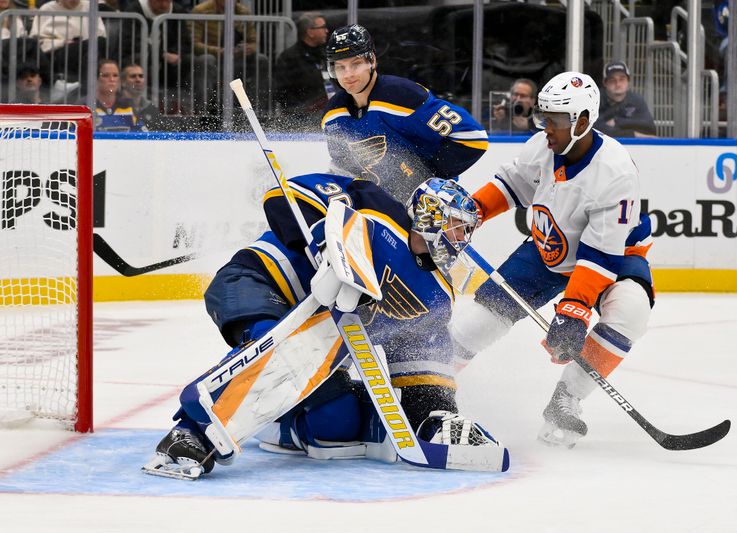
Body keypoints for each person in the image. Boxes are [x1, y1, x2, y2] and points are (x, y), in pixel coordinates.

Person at [148, 174, 503, 476]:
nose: (461, 239)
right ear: (430, 217)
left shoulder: (438, 293)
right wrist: (327, 247)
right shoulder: (374, 205)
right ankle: (190, 433)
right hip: (258, 280)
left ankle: (278, 421)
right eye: (456, 226)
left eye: (466, 231)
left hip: (319, 339)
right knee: (284, 353)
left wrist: (438, 417)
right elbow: (282, 198)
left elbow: (422, 359)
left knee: (336, 423)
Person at [448, 71, 655, 449]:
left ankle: (566, 401)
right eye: (544, 118)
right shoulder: (542, 146)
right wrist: (471, 212)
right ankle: (429, 379)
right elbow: (510, 185)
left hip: (615, 254)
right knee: (482, 320)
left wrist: (573, 310)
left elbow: (599, 254)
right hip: (551, 246)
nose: (546, 128)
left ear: (582, 121)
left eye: (555, 121)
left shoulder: (615, 172)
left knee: (631, 310)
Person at [321, 24, 488, 203]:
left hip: (427, 208)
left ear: (372, 61)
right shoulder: (333, 115)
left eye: (356, 64)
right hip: (376, 210)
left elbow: (473, 137)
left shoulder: (402, 96)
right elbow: (344, 169)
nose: (348, 74)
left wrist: (426, 179)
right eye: (340, 67)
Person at [122, 0, 214, 114]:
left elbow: (185, 42)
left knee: (205, 60)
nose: (164, 5)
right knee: (140, 58)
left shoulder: (177, 10)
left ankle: (200, 111)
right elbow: (131, 43)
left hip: (170, 66)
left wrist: (177, 54)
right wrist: (162, 54)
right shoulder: (135, 10)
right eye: (159, 1)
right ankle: (139, 111)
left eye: (167, 1)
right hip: (143, 62)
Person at [189, 0, 270, 111]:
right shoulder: (200, 11)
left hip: (238, 57)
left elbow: (253, 40)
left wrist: (250, 48)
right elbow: (193, 43)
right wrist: (218, 50)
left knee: (261, 59)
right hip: (214, 57)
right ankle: (202, 111)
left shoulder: (243, 12)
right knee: (206, 60)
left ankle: (257, 110)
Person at [273, 12, 334, 132]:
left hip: (328, 109)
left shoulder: (326, 55)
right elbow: (281, 93)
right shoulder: (289, 58)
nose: (326, 31)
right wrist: (304, 109)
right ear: (310, 32)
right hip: (302, 116)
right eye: (322, 27)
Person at [29, 0, 107, 89]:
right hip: (58, 52)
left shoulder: (89, 7)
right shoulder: (46, 9)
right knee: (91, 47)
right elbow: (37, 42)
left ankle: (88, 89)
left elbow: (101, 34)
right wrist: (62, 42)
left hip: (85, 49)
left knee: (98, 44)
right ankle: (90, 90)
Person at [594, 61, 656, 138]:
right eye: (612, 80)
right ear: (605, 83)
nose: (618, 84)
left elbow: (650, 127)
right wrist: (634, 134)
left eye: (622, 79)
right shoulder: (595, 100)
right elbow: (594, 130)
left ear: (628, 81)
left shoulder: (636, 100)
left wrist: (618, 122)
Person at [94, 59, 144, 132]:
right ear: (96, 79)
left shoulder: (128, 105)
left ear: (119, 80)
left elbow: (142, 136)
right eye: (105, 75)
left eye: (115, 75)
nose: (111, 79)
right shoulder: (86, 106)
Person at [120, 63, 161, 128]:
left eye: (141, 76)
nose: (138, 80)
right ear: (123, 82)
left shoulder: (151, 109)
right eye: (133, 76)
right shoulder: (115, 106)